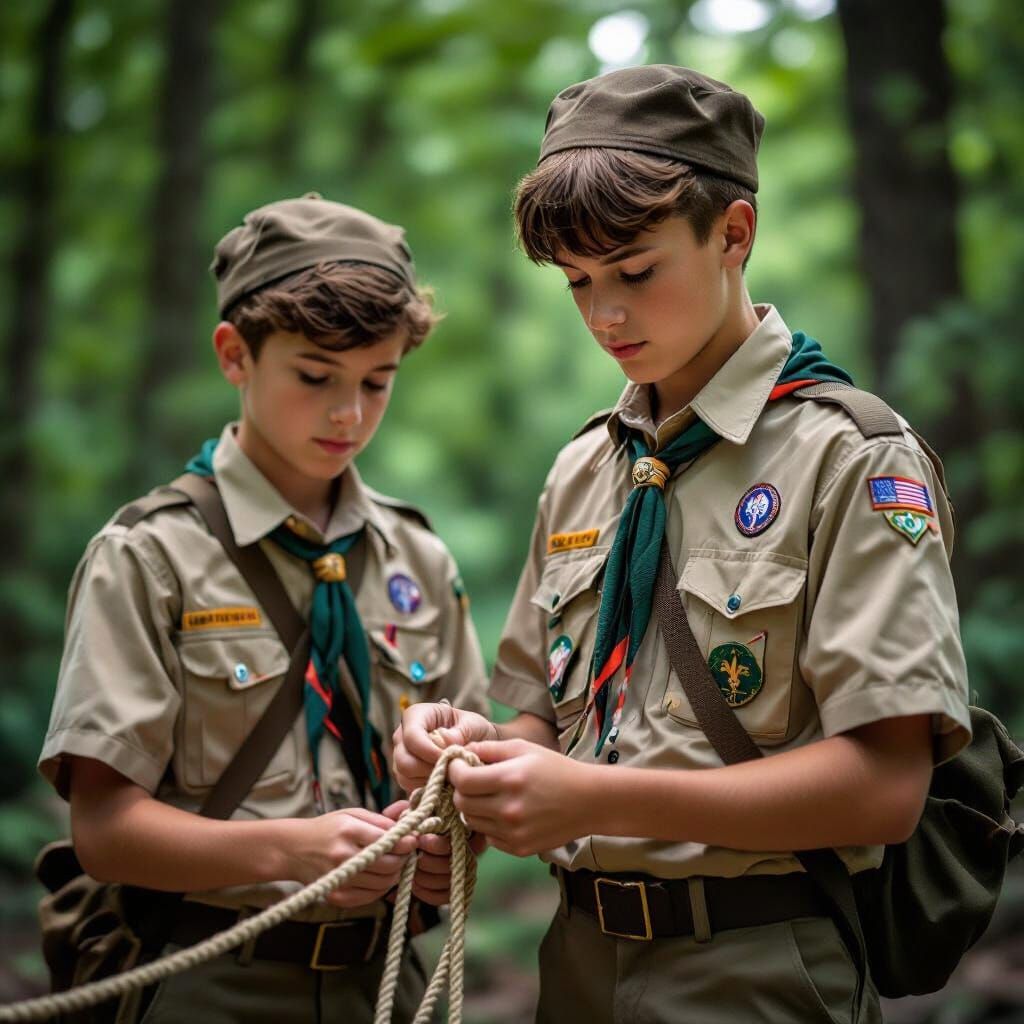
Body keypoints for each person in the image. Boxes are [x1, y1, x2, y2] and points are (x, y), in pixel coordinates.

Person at [393, 65, 971, 1023]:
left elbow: (884, 786)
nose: (603, 316)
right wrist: (474, 761)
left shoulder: (853, 457)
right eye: (578, 281)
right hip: (574, 966)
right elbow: (547, 724)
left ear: (733, 233)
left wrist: (592, 800)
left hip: (758, 968)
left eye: (635, 272)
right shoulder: (586, 466)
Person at [38, 194, 489, 1023]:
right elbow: (103, 830)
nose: (348, 413)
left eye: (377, 382)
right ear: (235, 355)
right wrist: (296, 849)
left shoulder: (417, 558)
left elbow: (472, 801)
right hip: (206, 978)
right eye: (314, 377)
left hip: (385, 984)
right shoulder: (148, 555)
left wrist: (448, 848)